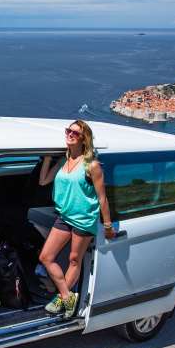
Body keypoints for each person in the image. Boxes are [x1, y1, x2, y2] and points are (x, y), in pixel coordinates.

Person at [37, 120, 114, 318]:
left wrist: (107, 225)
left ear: (84, 139)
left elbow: (102, 197)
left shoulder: (92, 165)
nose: (70, 134)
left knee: (74, 259)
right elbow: (44, 181)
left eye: (75, 133)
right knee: (46, 257)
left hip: (84, 219)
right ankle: (66, 296)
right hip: (64, 216)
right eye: (68, 131)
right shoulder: (64, 161)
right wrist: (47, 159)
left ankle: (62, 299)